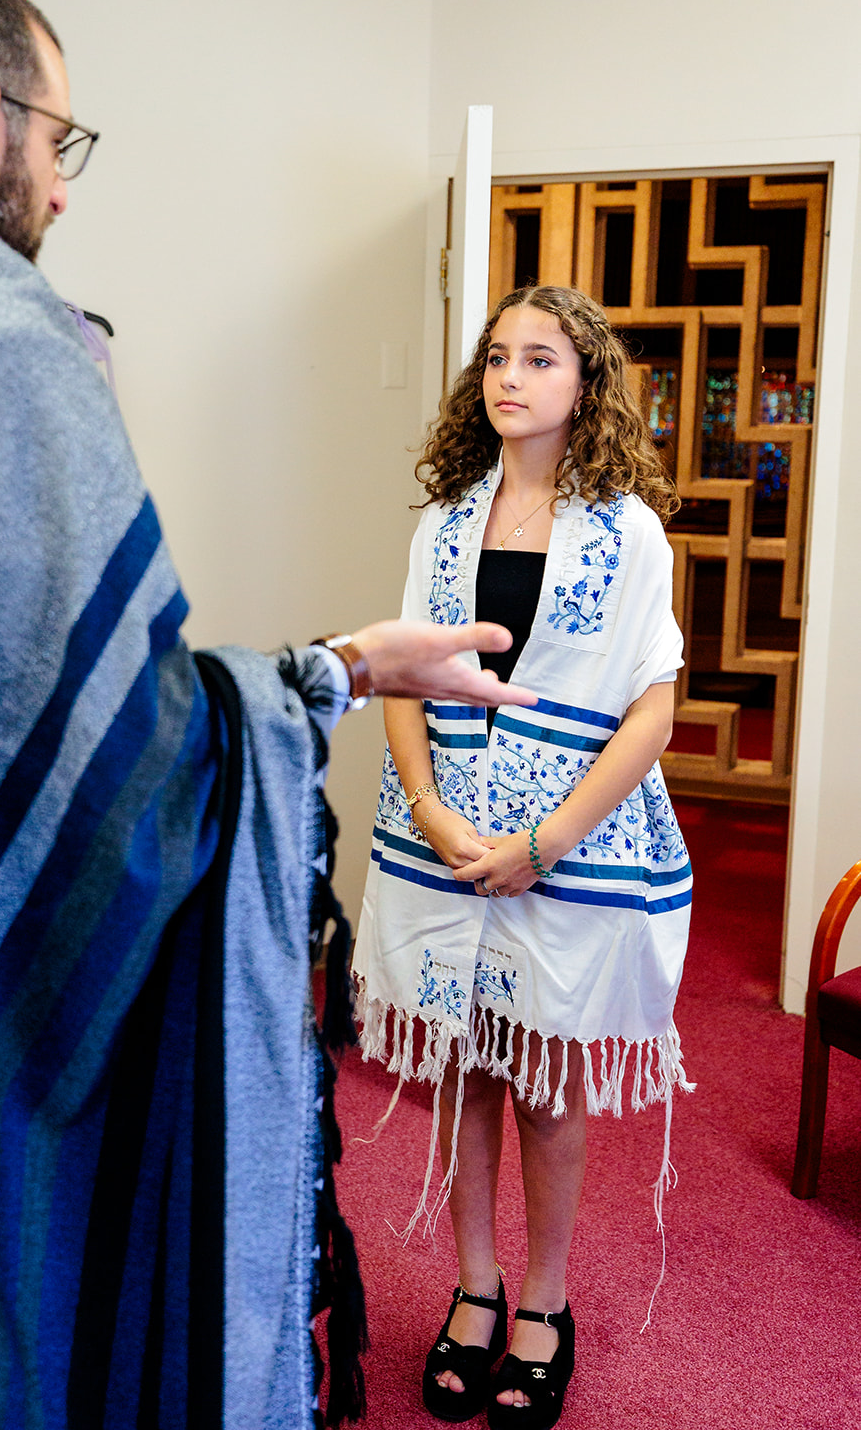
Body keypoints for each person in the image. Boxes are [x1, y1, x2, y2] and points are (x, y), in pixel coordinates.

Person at [0, 0, 536, 1430]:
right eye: (59, 142)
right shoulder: (5, 350)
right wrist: (329, 675)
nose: (62, 188)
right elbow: (131, 775)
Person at [352, 285, 693, 1429]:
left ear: (583, 385)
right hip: (441, 835)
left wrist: (545, 839)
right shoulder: (444, 518)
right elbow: (399, 673)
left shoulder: (627, 528)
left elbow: (650, 706)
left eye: (538, 359)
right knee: (464, 1073)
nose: (508, 375)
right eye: (496, 356)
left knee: (543, 1085)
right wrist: (441, 818)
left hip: (569, 844)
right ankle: (475, 1286)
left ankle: (544, 1303)